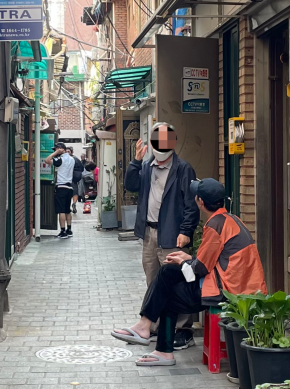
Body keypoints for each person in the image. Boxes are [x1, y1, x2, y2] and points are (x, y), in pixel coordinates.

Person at [112, 178, 267, 366]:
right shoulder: (230, 219)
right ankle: (147, 330)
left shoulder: (215, 226)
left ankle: (156, 342)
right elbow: (209, 261)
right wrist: (186, 259)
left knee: (168, 290)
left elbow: (200, 269)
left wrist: (183, 261)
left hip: (225, 291)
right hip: (232, 284)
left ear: (200, 202)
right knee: (168, 272)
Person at [124, 122, 200, 349]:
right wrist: (135, 161)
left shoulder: (183, 169)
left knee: (179, 283)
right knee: (153, 280)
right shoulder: (147, 167)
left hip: (173, 234)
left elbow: (191, 204)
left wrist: (186, 231)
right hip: (149, 233)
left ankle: (183, 329)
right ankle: (154, 325)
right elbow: (131, 185)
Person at [45, 142, 75, 239]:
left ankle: (63, 231)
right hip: (69, 187)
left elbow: (47, 160)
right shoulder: (72, 159)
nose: (55, 151)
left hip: (61, 187)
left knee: (61, 210)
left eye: (56, 149)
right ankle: (69, 229)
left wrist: (55, 153)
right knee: (67, 210)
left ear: (60, 149)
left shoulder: (60, 159)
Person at [67, 146, 84, 213]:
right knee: (75, 192)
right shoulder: (76, 159)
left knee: (68, 192)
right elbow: (82, 168)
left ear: (71, 152)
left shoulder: (65, 159)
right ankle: (74, 203)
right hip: (74, 179)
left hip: (67, 179)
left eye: (68, 151)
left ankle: (69, 205)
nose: (67, 153)